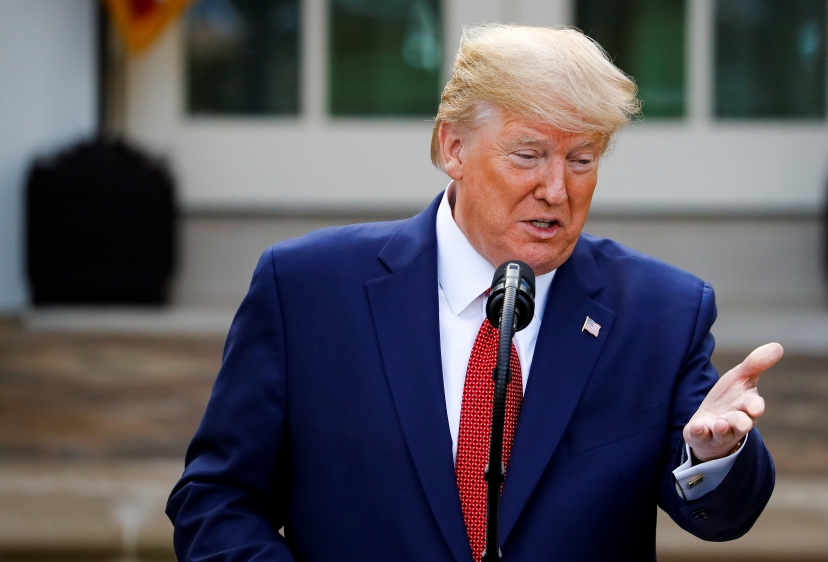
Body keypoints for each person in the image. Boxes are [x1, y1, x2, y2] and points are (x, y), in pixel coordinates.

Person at [167, 24, 781, 562]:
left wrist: (715, 455)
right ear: (452, 148)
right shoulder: (307, 291)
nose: (555, 189)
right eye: (528, 154)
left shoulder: (660, 311)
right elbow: (216, 499)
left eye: (582, 160)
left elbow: (724, 517)